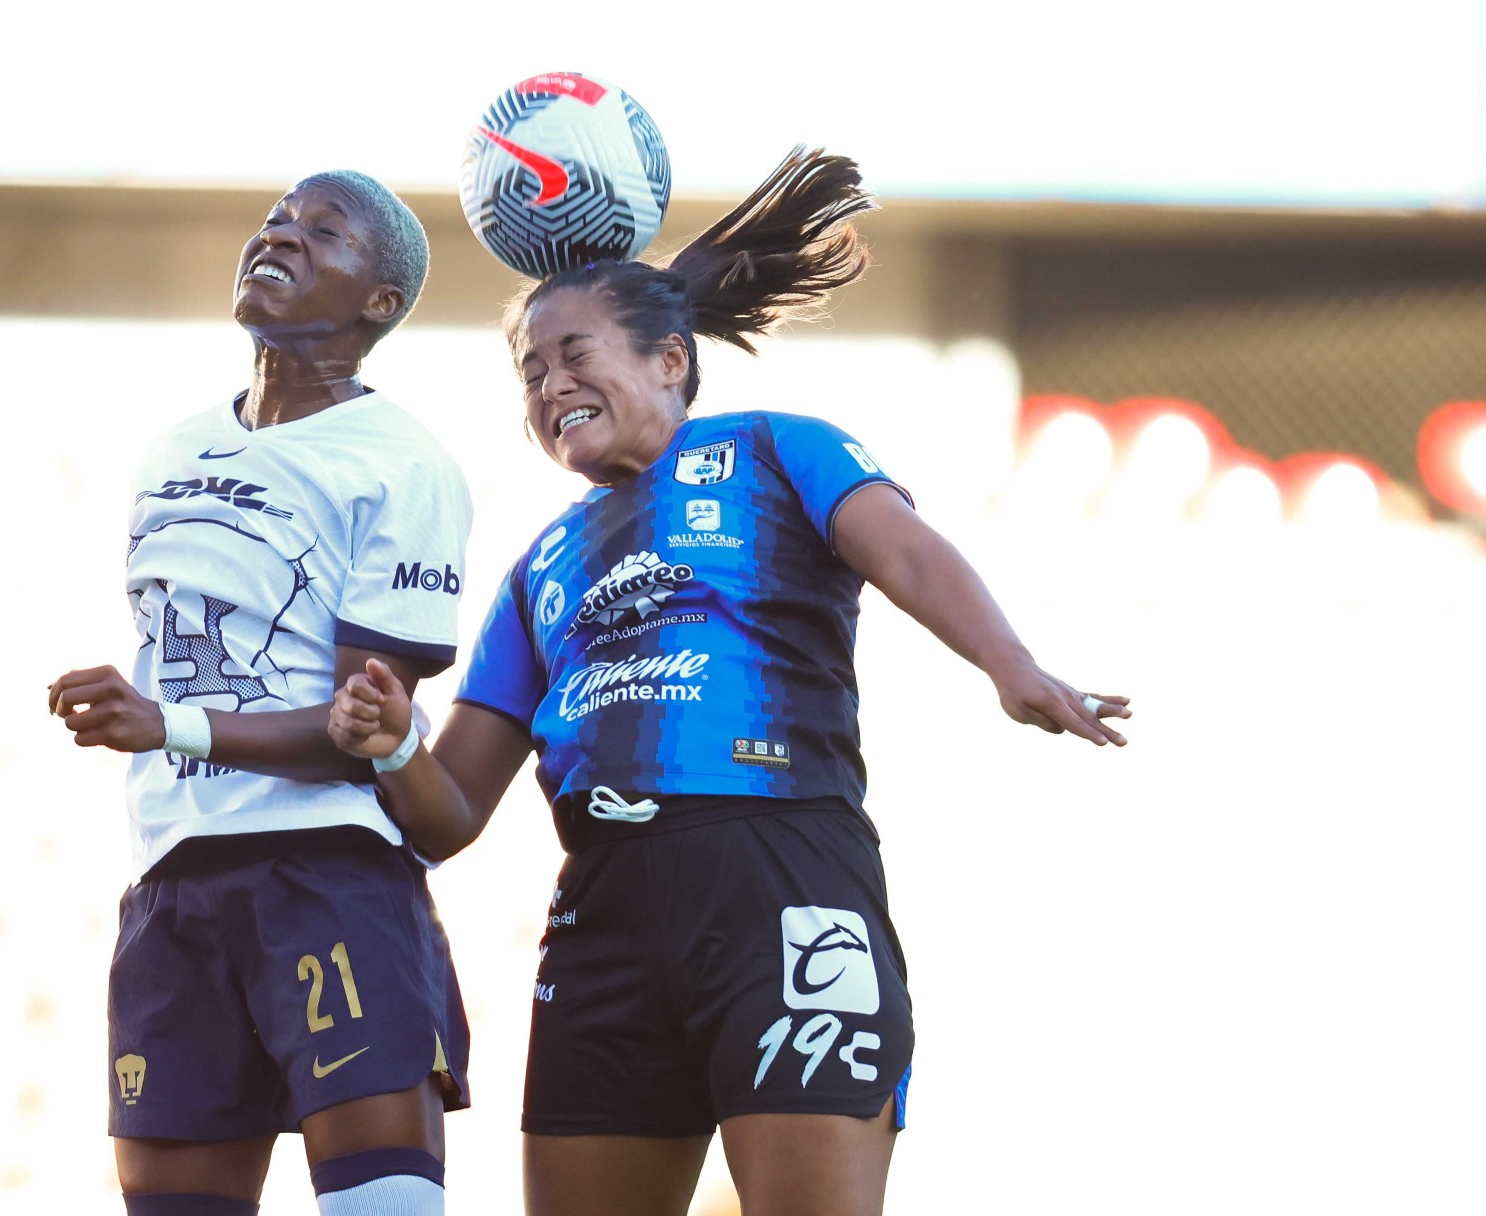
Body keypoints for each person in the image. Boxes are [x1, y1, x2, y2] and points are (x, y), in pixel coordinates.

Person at [328, 148, 1132, 1216]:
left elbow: (908, 551)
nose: (550, 385)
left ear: (671, 359)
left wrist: (1009, 663)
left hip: (781, 877)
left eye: (574, 355)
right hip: (602, 914)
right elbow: (449, 814)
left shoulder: (777, 450)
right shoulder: (537, 569)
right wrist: (392, 742)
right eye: (530, 372)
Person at [47, 170, 474, 1216]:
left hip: (326, 871)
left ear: (380, 300)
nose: (280, 236)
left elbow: (362, 732)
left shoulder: (404, 462)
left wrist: (168, 723)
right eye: (277, 220)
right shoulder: (171, 448)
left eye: (324, 232)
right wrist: (154, 720)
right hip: (172, 882)